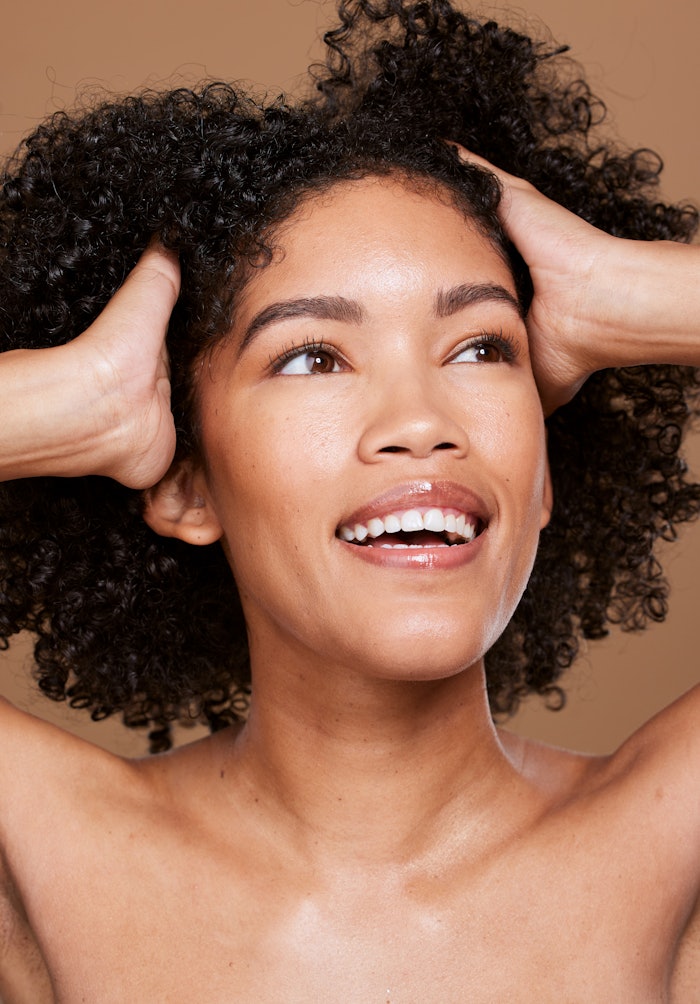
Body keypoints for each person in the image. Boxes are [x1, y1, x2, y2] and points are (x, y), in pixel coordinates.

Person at [0, 0, 698, 998]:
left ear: (544, 475)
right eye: (313, 356)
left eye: (480, 348)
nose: (419, 419)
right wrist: (69, 400)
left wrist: (623, 293)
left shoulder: (674, 847)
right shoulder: (38, 850)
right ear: (188, 480)